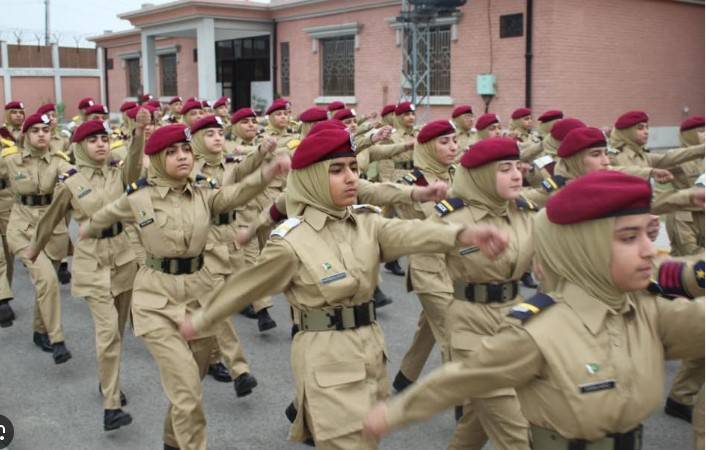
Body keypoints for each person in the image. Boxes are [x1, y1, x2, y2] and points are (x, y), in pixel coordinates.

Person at [179, 127, 509, 449]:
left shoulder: (366, 222)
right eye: (337, 170)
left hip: (371, 355)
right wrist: (201, 320)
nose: (351, 177)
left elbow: (411, 233)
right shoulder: (291, 242)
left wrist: (461, 235)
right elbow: (244, 287)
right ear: (311, 178)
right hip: (326, 360)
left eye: (353, 167)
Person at [364, 170, 705, 450]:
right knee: (504, 423)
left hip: (508, 307)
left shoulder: (646, 313)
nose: (650, 250)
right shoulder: (540, 331)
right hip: (469, 320)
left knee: (476, 420)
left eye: (649, 234)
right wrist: (394, 413)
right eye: (630, 238)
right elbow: (463, 376)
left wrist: (681, 271)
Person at [77, 123, 289, 450]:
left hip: (199, 295)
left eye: (186, 150)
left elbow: (235, 194)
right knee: (188, 393)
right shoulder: (139, 197)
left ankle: (173, 442)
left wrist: (267, 172)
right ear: (157, 160)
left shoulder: (204, 192)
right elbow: (105, 214)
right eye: (171, 152)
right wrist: (89, 230)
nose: (182, 157)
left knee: (190, 386)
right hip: (155, 300)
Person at [27, 115, 148, 430]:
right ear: (79, 146)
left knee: (117, 334)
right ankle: (111, 406)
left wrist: (139, 133)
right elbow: (51, 218)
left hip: (122, 260)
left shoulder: (119, 174)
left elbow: (135, 166)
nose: (101, 145)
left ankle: (106, 380)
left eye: (104, 140)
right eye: (93, 140)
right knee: (107, 334)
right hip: (92, 263)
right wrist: (34, 248)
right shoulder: (71, 181)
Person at [189, 113, 273, 389]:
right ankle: (240, 370)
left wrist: (261, 151)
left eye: (219, 134)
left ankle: (211, 359)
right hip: (204, 245)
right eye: (209, 134)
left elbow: (245, 168)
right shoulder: (188, 170)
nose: (216, 139)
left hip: (230, 239)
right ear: (198, 139)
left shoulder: (228, 166)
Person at [0, 112, 73, 363]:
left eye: (45, 130)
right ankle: (57, 339)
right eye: (35, 130)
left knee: (46, 283)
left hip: (52, 230)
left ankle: (39, 330)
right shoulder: (10, 160)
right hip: (22, 229)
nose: (41, 134)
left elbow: (76, 178)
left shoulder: (59, 161)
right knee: (47, 280)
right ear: (25, 135)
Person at [393, 120, 460, 393]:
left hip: (457, 266)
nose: (453, 147)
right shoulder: (413, 184)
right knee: (454, 330)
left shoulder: (458, 174)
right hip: (428, 268)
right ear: (427, 147)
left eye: (455, 140)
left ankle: (405, 376)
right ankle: (462, 401)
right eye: (444, 142)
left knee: (431, 327)